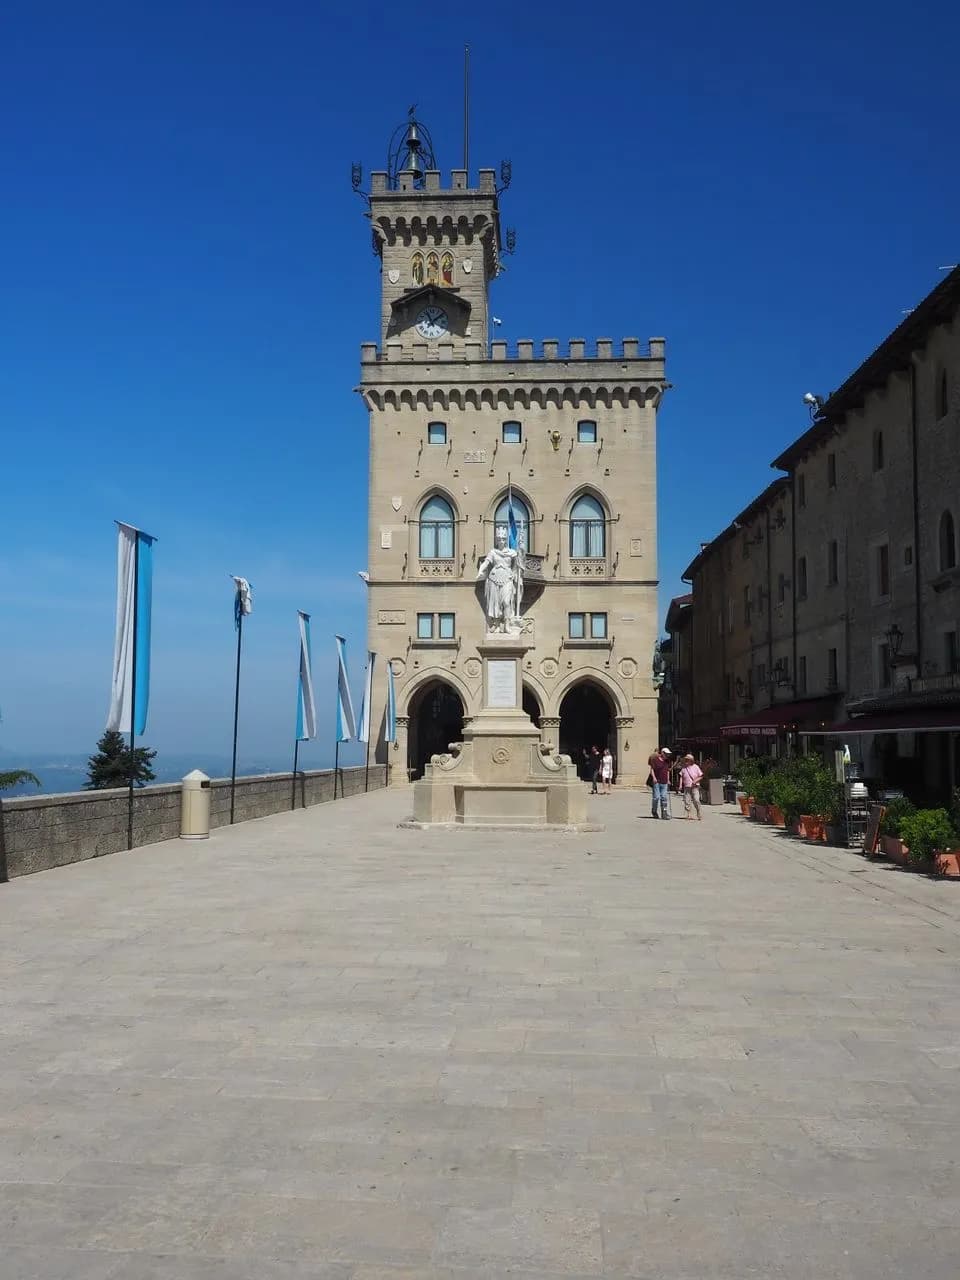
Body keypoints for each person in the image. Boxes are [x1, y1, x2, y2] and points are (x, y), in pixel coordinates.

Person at [476, 528, 522, 632]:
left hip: (507, 579)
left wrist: (515, 574)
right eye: (499, 539)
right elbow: (486, 563)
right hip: (494, 578)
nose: (501, 541)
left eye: (503, 539)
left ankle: (506, 625)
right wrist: (480, 571)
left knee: (506, 602)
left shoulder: (512, 553)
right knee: (495, 603)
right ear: (496, 540)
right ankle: (496, 624)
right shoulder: (493, 552)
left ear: (506, 540)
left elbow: (516, 566)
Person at [648, 748, 672, 818]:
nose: (667, 755)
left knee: (664, 797)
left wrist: (668, 780)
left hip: (664, 782)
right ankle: (654, 811)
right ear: (662, 753)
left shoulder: (667, 761)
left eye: (668, 754)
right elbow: (652, 770)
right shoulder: (655, 760)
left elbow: (667, 771)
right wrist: (654, 778)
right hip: (657, 781)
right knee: (656, 797)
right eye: (666, 754)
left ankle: (664, 813)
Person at [679, 753, 704, 820]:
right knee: (687, 800)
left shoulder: (696, 767)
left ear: (691, 761)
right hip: (687, 787)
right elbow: (681, 777)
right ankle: (688, 814)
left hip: (695, 786)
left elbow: (701, 776)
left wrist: (695, 781)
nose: (686, 761)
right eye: (685, 760)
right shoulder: (684, 768)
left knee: (696, 800)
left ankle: (698, 812)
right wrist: (680, 785)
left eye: (687, 760)